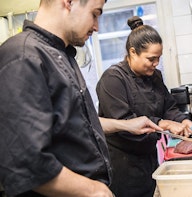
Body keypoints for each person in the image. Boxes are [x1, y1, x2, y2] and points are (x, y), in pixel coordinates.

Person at [0, 1, 162, 196]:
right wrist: (93, 189)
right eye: (94, 14)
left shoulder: (61, 55)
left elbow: (78, 124)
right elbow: (26, 162)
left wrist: (127, 125)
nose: (96, 26)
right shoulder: (24, 56)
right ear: (68, 2)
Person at [96, 16, 192, 197]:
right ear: (133, 52)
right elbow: (125, 123)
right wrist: (165, 124)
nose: (156, 64)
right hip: (123, 165)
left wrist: (188, 124)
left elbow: (169, 108)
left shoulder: (155, 76)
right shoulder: (113, 79)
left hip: (149, 159)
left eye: (158, 58)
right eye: (151, 59)